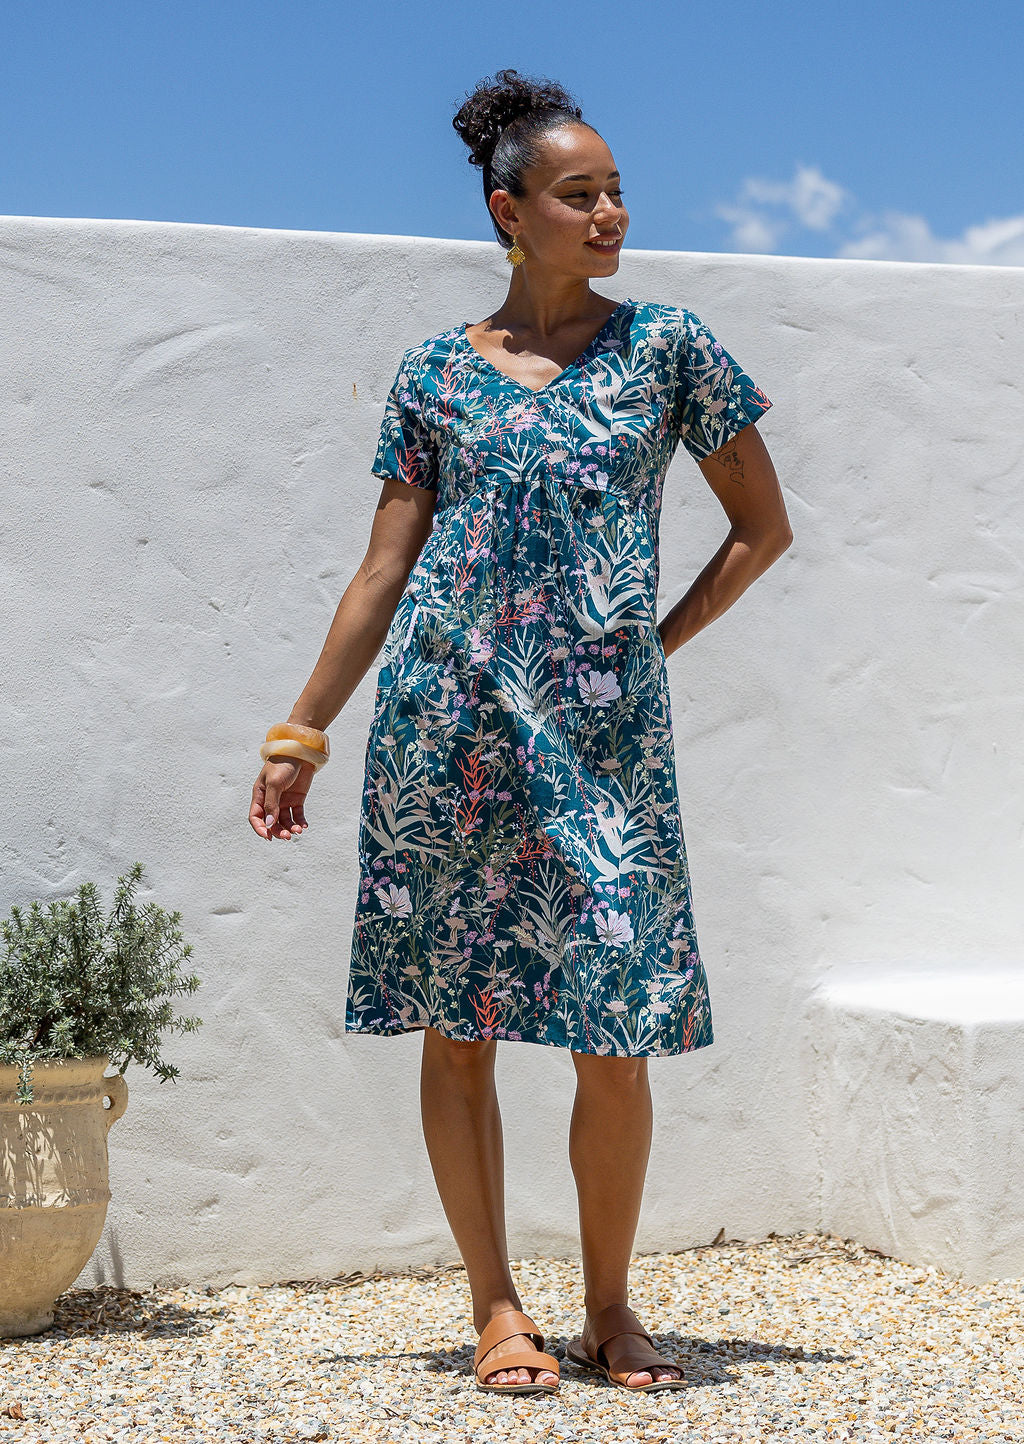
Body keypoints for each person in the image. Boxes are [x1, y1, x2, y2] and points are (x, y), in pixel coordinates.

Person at [249, 67, 792, 1396]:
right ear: (509, 210)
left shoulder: (668, 349)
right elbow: (384, 570)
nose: (610, 211)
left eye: (615, 190)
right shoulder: (435, 373)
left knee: (617, 1031)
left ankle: (611, 1307)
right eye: (577, 192)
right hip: (447, 735)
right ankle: (496, 1307)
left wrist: (646, 649)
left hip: (606, 753)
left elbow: (762, 528)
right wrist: (300, 729)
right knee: (462, 1022)